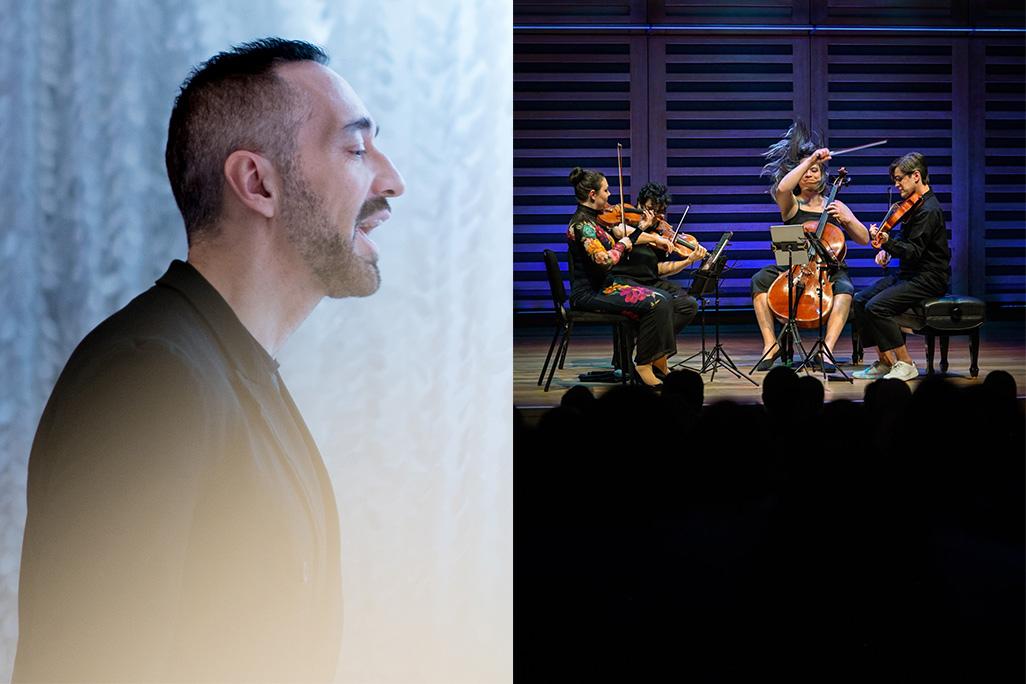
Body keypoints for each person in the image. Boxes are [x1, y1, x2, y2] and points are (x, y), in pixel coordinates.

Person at [14, 38, 404, 682]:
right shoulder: (149, 380)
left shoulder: (235, 373)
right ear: (258, 183)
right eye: (357, 149)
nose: (391, 180)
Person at [752, 121, 870, 371]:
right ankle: (770, 344)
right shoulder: (791, 204)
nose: (810, 174)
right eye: (806, 170)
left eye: (816, 170)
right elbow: (783, 186)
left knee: (846, 288)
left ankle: (826, 351)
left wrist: (847, 219)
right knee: (759, 280)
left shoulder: (833, 204)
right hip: (793, 268)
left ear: (823, 174)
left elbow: (863, 238)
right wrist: (811, 158)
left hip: (829, 270)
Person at [565, 168, 678, 387]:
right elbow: (604, 260)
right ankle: (644, 364)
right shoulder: (582, 225)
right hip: (590, 293)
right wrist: (622, 244)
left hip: (605, 286)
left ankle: (657, 360)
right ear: (592, 194)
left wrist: (638, 232)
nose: (609, 195)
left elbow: (624, 242)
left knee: (665, 298)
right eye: (606, 190)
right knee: (657, 303)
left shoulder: (594, 220)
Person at [852, 152, 950, 381]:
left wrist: (888, 242)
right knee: (860, 300)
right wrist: (887, 250)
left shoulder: (929, 210)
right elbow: (906, 243)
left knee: (877, 307)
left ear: (916, 176)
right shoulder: (914, 206)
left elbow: (914, 252)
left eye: (899, 179)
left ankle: (906, 363)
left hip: (929, 277)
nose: (896, 185)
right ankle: (886, 362)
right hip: (910, 273)